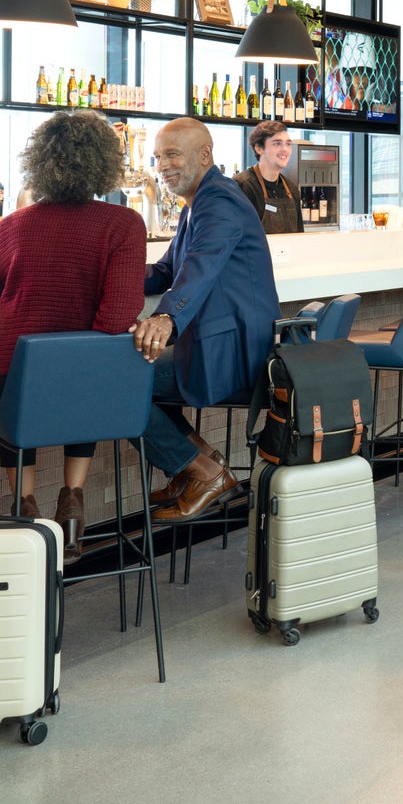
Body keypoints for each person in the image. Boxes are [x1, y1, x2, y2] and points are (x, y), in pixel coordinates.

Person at [0, 110, 148, 558]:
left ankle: (26, 512)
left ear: (40, 162)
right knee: (83, 379)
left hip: (4, 371)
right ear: (105, 163)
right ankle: (72, 502)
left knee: (29, 393)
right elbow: (119, 315)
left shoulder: (12, 225)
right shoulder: (123, 224)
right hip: (81, 382)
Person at [133, 117, 279, 522]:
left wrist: (165, 317)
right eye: (158, 157)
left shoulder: (221, 202)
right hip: (223, 343)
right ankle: (200, 466)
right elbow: (167, 270)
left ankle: (199, 470)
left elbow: (202, 266)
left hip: (237, 353)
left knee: (119, 379)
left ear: (205, 156)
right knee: (130, 377)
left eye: (172, 155)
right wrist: (108, 273)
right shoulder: (200, 201)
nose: (162, 165)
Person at [235, 120, 304, 234]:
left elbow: (300, 237)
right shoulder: (242, 186)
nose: (285, 150)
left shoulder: (291, 189)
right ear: (259, 148)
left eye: (288, 144)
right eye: (277, 143)